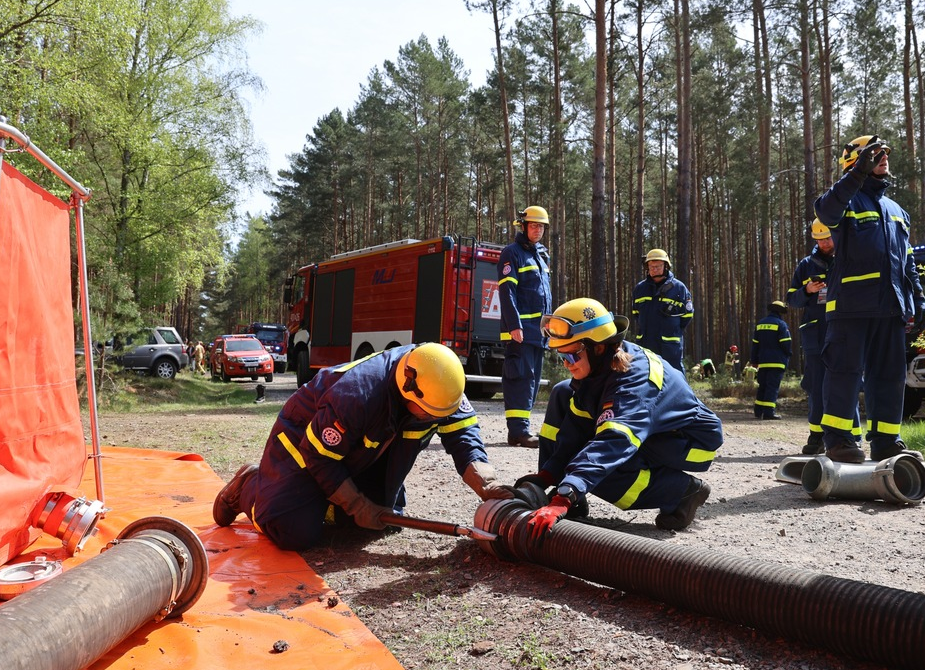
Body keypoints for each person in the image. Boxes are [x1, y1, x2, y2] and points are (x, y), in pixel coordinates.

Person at [211, 343, 515, 550]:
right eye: (430, 415)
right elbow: (319, 456)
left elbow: (464, 438)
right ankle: (249, 488)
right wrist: (356, 504)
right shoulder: (357, 395)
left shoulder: (440, 382)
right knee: (292, 531)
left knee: (382, 518)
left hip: (360, 452)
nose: (436, 421)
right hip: (304, 443)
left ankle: (325, 504)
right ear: (408, 392)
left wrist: (488, 485)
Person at [516, 298, 724, 538]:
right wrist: (550, 474)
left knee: (605, 467)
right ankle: (568, 490)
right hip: (653, 431)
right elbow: (576, 429)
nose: (565, 364)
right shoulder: (599, 368)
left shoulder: (635, 384)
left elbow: (613, 442)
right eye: (561, 356)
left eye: (572, 356)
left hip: (688, 441)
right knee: (563, 392)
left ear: (598, 347)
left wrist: (567, 493)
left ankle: (681, 492)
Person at [813, 135, 925, 463]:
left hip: (891, 307)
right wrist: (856, 177)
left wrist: (917, 298)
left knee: (890, 377)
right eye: (875, 154)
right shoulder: (844, 201)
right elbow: (825, 210)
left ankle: (886, 441)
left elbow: (906, 259)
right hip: (851, 306)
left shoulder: (897, 211)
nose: (883, 158)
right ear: (856, 161)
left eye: (885, 154)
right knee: (844, 373)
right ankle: (838, 441)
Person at [498, 205, 553, 448]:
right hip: (520, 330)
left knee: (532, 379)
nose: (538, 230)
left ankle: (522, 429)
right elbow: (507, 292)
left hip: (538, 331)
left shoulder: (542, 255)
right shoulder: (512, 253)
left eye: (541, 226)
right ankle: (518, 432)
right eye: (534, 225)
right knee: (520, 377)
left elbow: (545, 295)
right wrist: (514, 325)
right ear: (523, 226)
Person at [787, 220, 839, 451]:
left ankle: (843, 437)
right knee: (816, 386)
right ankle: (816, 436)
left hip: (844, 330)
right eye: (820, 239)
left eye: (828, 238)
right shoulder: (806, 265)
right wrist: (807, 291)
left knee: (844, 383)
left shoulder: (849, 259)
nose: (824, 243)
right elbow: (791, 299)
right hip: (815, 333)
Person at [631, 249, 694, 372]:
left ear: (666, 266)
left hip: (670, 347)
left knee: (675, 378)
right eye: (651, 266)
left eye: (658, 266)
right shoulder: (640, 289)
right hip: (646, 345)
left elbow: (687, 315)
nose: (654, 269)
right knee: (647, 377)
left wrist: (672, 330)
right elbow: (636, 314)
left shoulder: (679, 288)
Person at [749, 301, 792, 420]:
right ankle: (769, 412)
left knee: (762, 386)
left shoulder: (760, 324)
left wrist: (754, 360)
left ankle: (758, 411)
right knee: (772, 387)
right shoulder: (781, 324)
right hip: (777, 362)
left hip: (763, 362)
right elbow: (786, 343)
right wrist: (789, 354)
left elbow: (755, 345)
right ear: (781, 311)